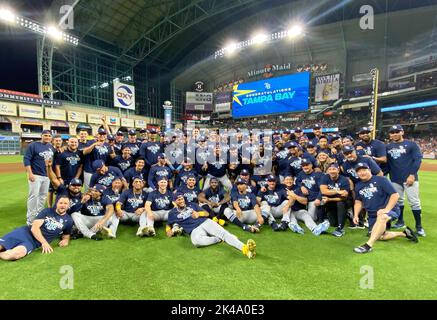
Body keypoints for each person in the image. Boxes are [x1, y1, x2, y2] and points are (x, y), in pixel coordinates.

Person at [166, 192, 257, 259]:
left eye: (182, 199)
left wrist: (198, 214)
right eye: (179, 199)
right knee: (196, 242)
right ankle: (217, 239)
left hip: (205, 222)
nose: (181, 201)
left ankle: (246, 249)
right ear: (175, 201)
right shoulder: (172, 213)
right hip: (194, 230)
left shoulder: (192, 205)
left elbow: (206, 213)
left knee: (225, 234)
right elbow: (168, 224)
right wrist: (168, 231)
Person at [352, 163, 418, 254]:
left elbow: (395, 195)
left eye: (364, 170)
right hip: (372, 215)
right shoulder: (358, 186)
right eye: (359, 171)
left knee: (382, 216)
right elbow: (358, 202)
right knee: (378, 236)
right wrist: (355, 215)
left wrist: (386, 209)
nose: (362, 173)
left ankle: (368, 246)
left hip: (391, 210)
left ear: (369, 170)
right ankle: (404, 233)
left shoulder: (381, 180)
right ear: (357, 174)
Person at [0, 196, 73, 261]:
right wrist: (44, 243)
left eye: (65, 203)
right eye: (61, 203)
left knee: (15, 255)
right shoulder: (47, 211)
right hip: (24, 233)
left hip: (33, 243)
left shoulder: (69, 221)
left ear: (68, 205)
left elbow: (66, 236)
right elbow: (34, 228)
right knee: (1, 246)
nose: (63, 205)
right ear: (57, 204)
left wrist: (65, 240)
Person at [386, 125, 425, 236]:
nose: (394, 134)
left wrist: (412, 175)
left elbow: (417, 160)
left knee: (414, 202)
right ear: (390, 134)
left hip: (410, 179)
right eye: (392, 132)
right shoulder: (388, 147)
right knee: (398, 201)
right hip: (394, 178)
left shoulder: (411, 144)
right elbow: (386, 163)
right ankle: (400, 221)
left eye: (397, 131)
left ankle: (419, 226)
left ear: (402, 132)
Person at [23, 130, 55, 225]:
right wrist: (30, 173)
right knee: (33, 196)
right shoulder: (33, 145)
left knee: (42, 196)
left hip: (46, 176)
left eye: (49, 136)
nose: (47, 137)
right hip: (36, 175)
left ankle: (39, 215)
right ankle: (30, 219)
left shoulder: (50, 147)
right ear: (41, 136)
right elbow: (26, 159)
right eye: (45, 135)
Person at [319, 163, 351, 237]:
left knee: (340, 203)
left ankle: (340, 228)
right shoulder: (325, 177)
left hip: (344, 201)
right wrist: (337, 191)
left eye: (334, 169)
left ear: (338, 170)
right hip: (332, 201)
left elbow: (344, 196)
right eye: (329, 169)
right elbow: (324, 191)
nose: (332, 171)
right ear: (327, 171)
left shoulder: (344, 180)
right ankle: (320, 222)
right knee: (333, 223)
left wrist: (330, 198)